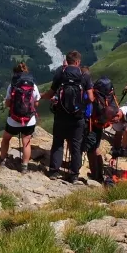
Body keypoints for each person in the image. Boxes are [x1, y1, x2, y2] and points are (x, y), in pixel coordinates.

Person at [42, 50, 93, 183]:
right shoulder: (84, 75)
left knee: (58, 143)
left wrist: (41, 96)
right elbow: (91, 98)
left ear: (67, 60)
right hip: (77, 118)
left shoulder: (61, 73)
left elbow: (51, 92)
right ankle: (74, 175)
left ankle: (54, 171)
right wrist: (81, 105)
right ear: (78, 62)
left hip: (61, 116)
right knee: (76, 145)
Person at [0, 62, 41, 173]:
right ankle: (24, 166)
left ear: (15, 73)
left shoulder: (13, 85)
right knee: (26, 142)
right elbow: (37, 103)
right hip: (29, 120)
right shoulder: (33, 85)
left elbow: (7, 103)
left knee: (6, 139)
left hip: (14, 119)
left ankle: (2, 160)